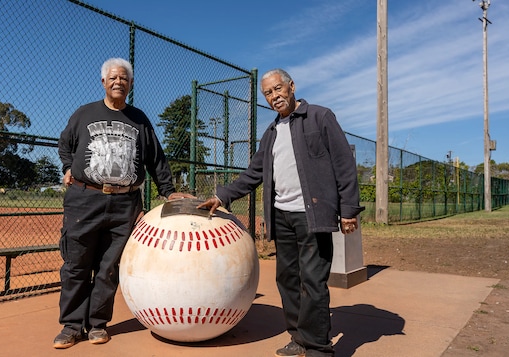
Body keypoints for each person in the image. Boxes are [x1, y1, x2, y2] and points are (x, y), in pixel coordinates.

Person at [197, 69, 364, 357]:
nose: (274, 97)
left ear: (291, 86)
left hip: (313, 215)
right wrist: (221, 195)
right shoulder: (272, 133)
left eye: (278, 89)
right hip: (282, 216)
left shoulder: (320, 117)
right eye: (268, 94)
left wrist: (348, 210)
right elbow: (254, 173)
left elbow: (344, 164)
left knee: (312, 281)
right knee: (287, 279)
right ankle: (299, 338)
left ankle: (318, 348)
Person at [54, 57, 193, 349]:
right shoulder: (84, 114)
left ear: (130, 84)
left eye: (124, 78)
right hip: (84, 199)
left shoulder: (139, 119)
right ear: (103, 82)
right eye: (113, 78)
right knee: (77, 264)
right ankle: (71, 325)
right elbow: (65, 143)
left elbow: (156, 158)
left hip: (124, 203)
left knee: (108, 268)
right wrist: (68, 166)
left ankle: (97, 324)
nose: (118, 82)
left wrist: (168, 191)